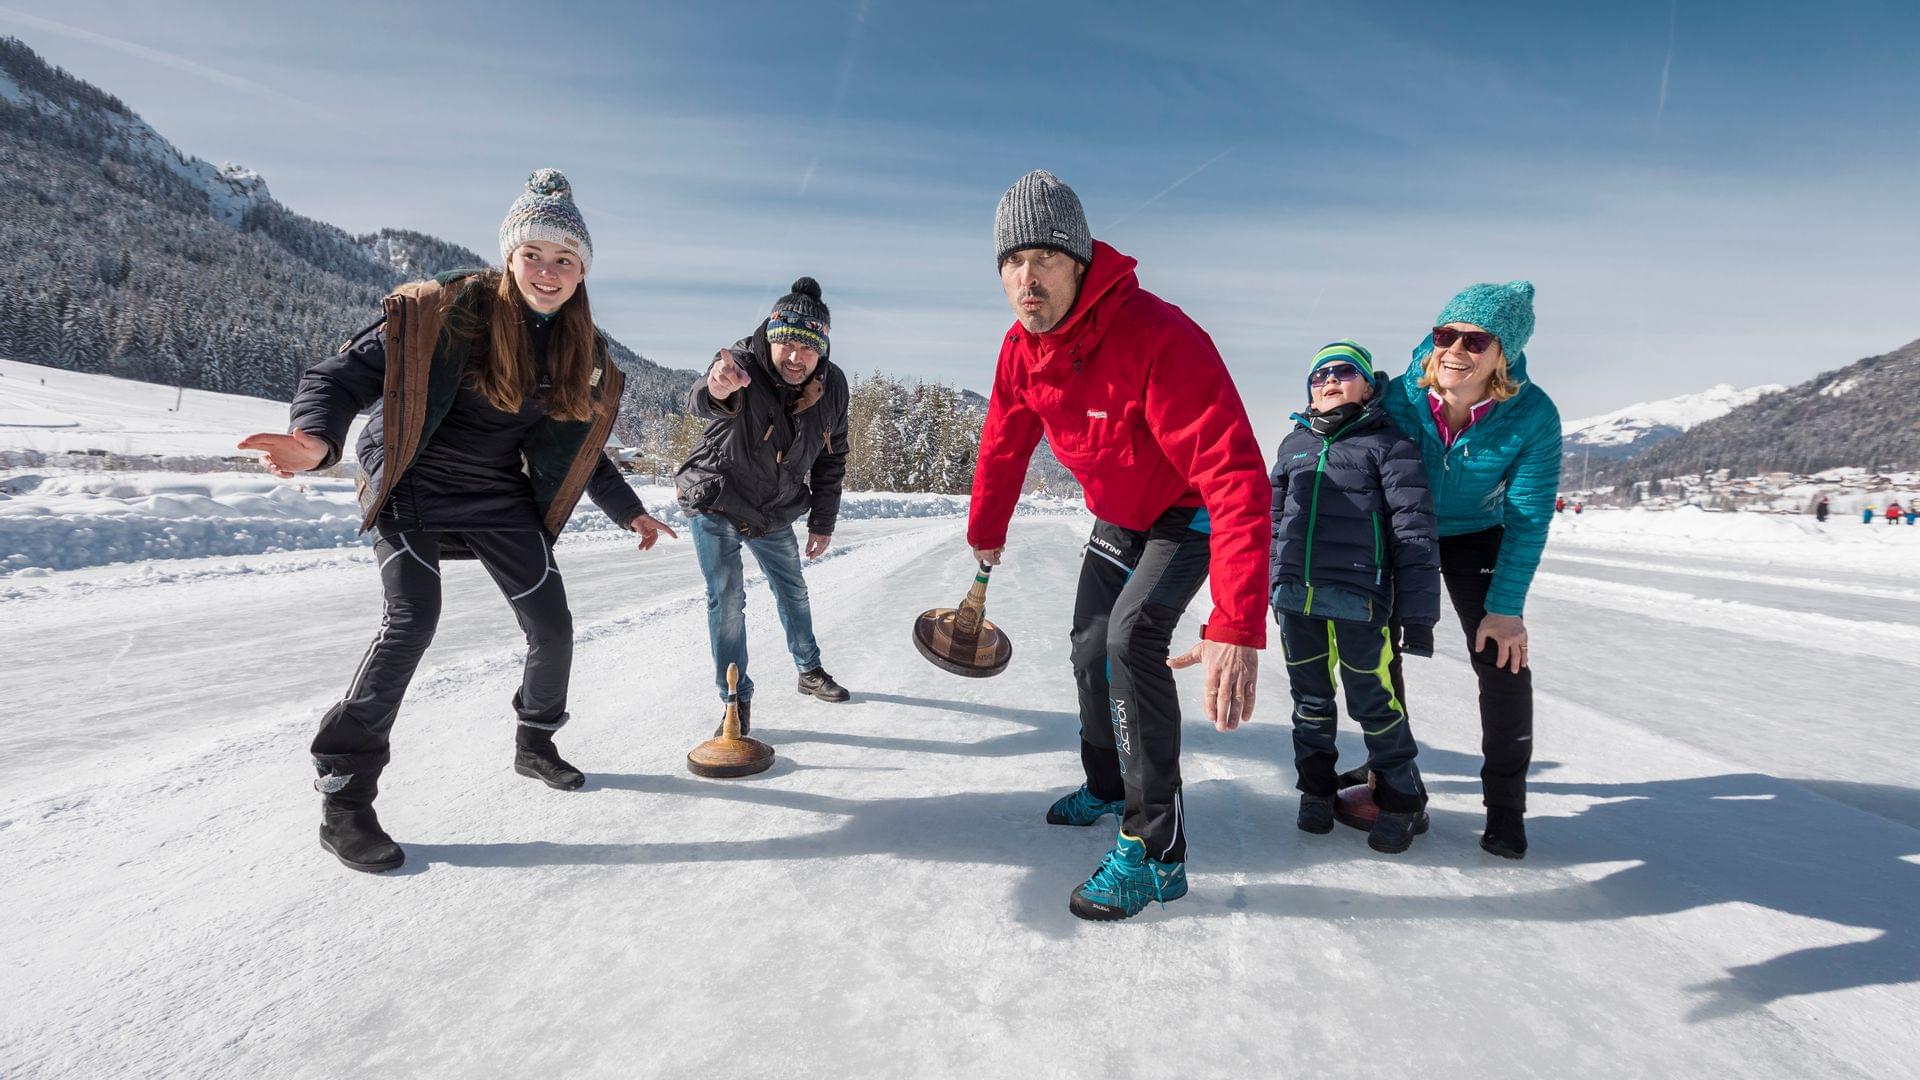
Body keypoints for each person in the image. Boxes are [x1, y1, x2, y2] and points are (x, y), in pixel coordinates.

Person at [239, 169, 676, 873]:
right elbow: (340, 377)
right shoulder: (446, 310)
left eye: (566, 259)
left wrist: (631, 513)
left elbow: (583, 449)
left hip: (498, 493)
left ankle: (535, 742)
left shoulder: (580, 349)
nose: (548, 270)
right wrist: (315, 441)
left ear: (583, 272)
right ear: (508, 255)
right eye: (533, 253)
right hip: (413, 477)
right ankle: (345, 797)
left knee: (553, 626)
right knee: (413, 618)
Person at [968, 170, 1269, 920]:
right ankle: (1107, 785)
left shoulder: (1157, 337)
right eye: (1010, 260)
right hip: (1119, 516)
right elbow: (1004, 443)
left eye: (1042, 256)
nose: (1025, 276)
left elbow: (1236, 477)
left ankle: (1158, 852)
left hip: (1186, 511)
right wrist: (986, 534)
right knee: (1087, 644)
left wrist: (1235, 623)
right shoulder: (1020, 351)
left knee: (1131, 640)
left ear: (1079, 260)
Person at [1377, 281, 1561, 860]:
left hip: (1474, 533)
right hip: (1396, 529)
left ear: (1502, 354)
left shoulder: (1532, 414)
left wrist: (1506, 609)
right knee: (1375, 652)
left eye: (1474, 340)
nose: (1455, 349)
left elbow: (1528, 518)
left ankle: (1505, 808)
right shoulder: (1397, 397)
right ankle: (1397, 783)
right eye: (1444, 335)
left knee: (1502, 659)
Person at [1270, 342, 1441, 854]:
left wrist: (1418, 614)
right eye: (1317, 374)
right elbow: (1272, 525)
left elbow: (1414, 533)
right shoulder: (1291, 446)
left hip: (1360, 599)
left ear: (1368, 385)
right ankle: (1316, 791)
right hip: (1296, 600)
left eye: (1343, 372)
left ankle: (1401, 800)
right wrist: (1265, 589)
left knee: (1375, 702)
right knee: (1310, 702)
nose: (1328, 380)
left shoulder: (1390, 445)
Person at [676, 277, 852, 735]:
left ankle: (809, 671)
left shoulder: (832, 387)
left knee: (793, 590)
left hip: (774, 506)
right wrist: (716, 386)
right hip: (717, 497)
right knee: (728, 598)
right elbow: (702, 398)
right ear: (771, 337)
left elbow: (833, 457)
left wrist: (823, 519)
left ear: (823, 349)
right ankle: (735, 698)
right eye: (786, 343)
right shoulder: (740, 364)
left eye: (808, 347)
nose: (795, 356)